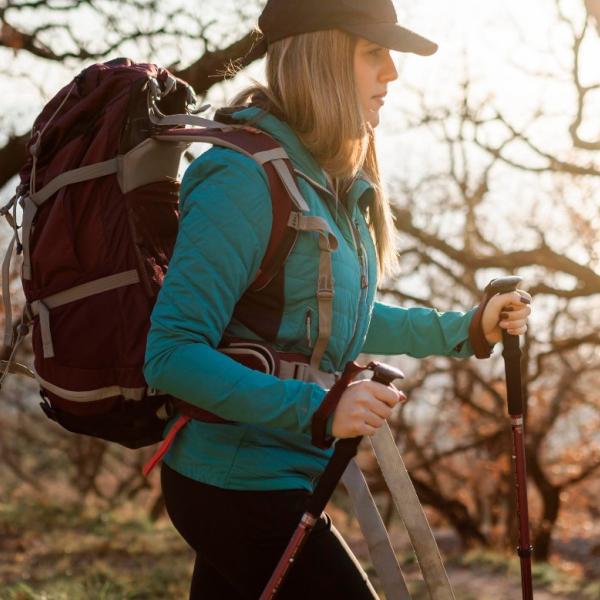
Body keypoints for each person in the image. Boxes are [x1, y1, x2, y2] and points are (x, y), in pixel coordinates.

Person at [144, 0, 532, 598]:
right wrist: (319, 409)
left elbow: (339, 320)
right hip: (235, 481)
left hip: (287, 475)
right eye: (374, 52)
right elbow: (171, 354)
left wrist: (466, 329)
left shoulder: (323, 180)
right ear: (323, 56)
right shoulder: (241, 180)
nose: (393, 74)